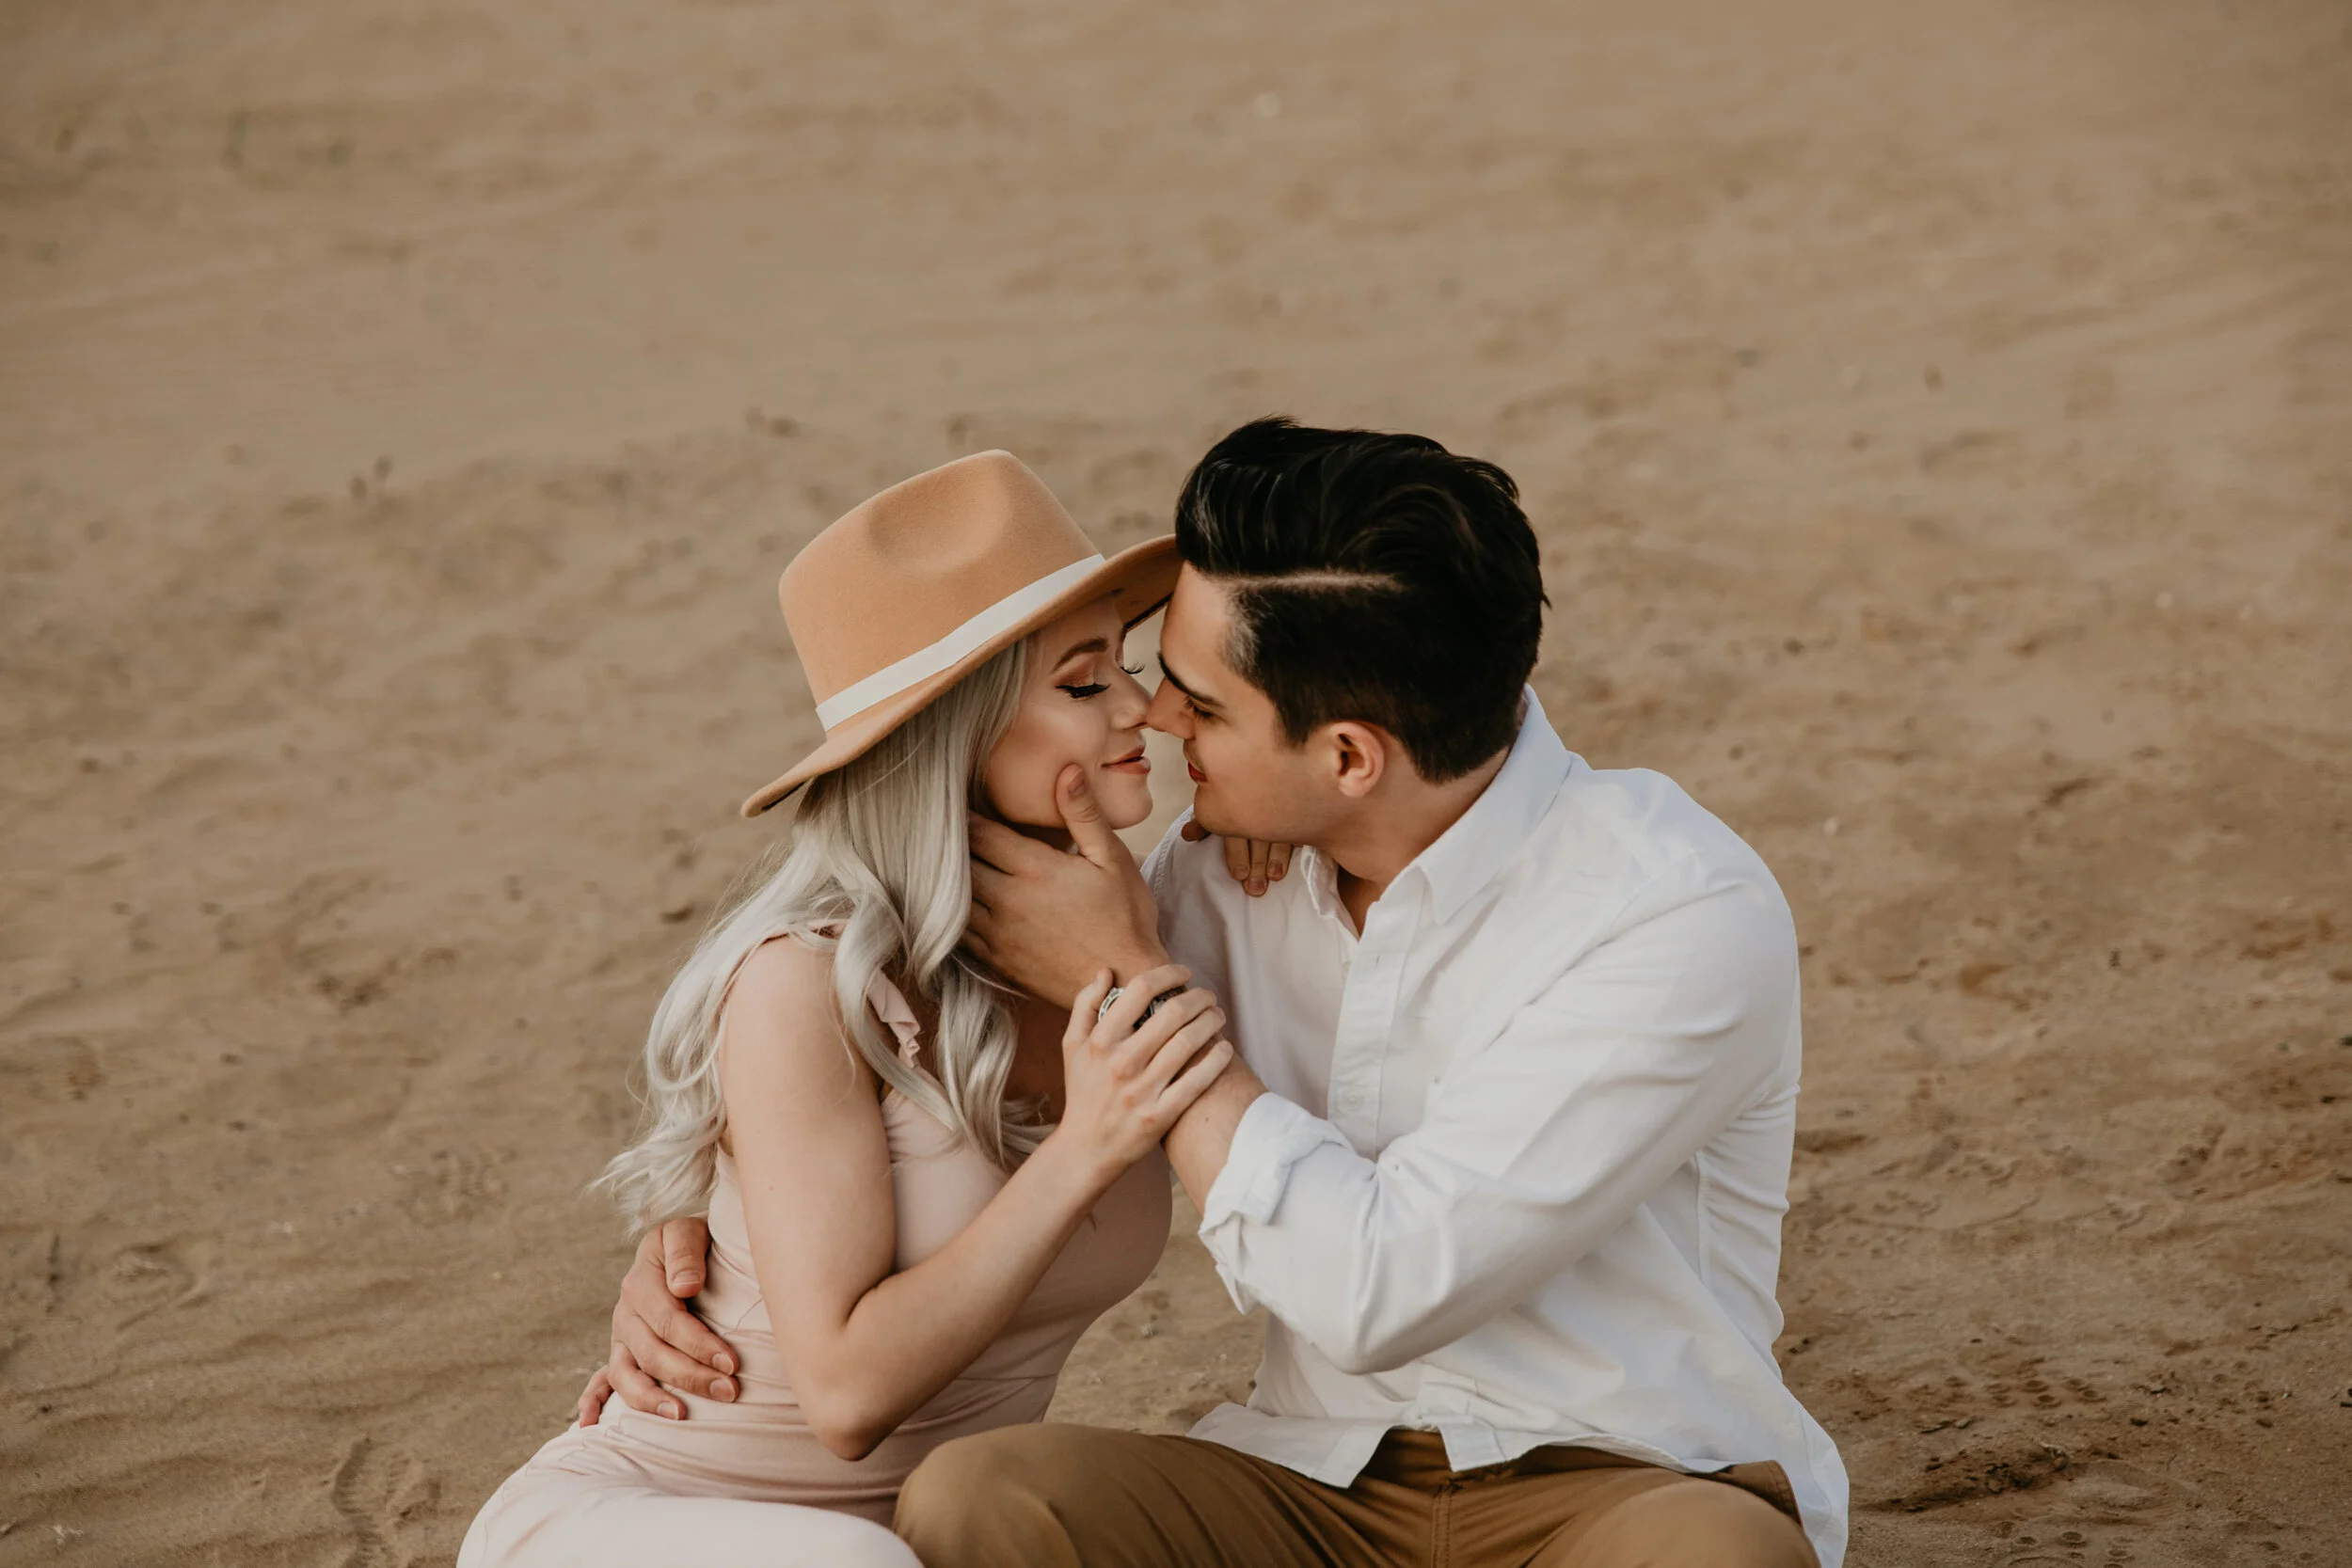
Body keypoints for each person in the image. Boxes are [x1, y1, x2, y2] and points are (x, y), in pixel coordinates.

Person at [602, 420, 1852, 1567]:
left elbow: (1386, 1284)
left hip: (1620, 1484)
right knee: (981, 1501)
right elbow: (899, 1033)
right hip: (1313, 1483)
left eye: (1198, 703)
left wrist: (1136, 978)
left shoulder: (1672, 910)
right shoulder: (1213, 876)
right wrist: (699, 1255)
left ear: (1349, 755)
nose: (1155, 715)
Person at [455, 451, 1236, 1568]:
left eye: (1127, 664)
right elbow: (845, 1393)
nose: (1141, 708)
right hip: (654, 1517)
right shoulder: (807, 987)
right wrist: (1086, 1147)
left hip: (938, 1530)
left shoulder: (1149, 932)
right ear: (954, 736)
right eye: (1081, 683)